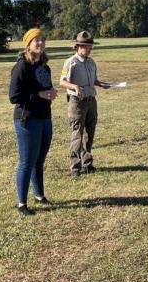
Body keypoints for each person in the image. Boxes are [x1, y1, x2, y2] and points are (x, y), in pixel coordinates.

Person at [9, 28, 57, 216]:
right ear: (28, 44)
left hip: (45, 117)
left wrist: (51, 92)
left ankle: (39, 195)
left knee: (40, 159)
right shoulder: (21, 66)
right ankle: (22, 204)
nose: (40, 43)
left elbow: (46, 88)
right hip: (27, 119)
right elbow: (14, 96)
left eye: (42, 39)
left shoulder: (44, 67)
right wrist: (39, 94)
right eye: (36, 40)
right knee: (27, 161)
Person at [59, 31, 110, 176]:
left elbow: (94, 80)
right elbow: (62, 81)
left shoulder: (91, 62)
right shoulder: (71, 62)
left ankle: (87, 164)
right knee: (77, 134)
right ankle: (75, 167)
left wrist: (101, 84)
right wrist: (74, 87)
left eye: (90, 47)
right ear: (78, 46)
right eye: (85, 47)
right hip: (77, 103)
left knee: (90, 134)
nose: (88, 49)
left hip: (91, 101)